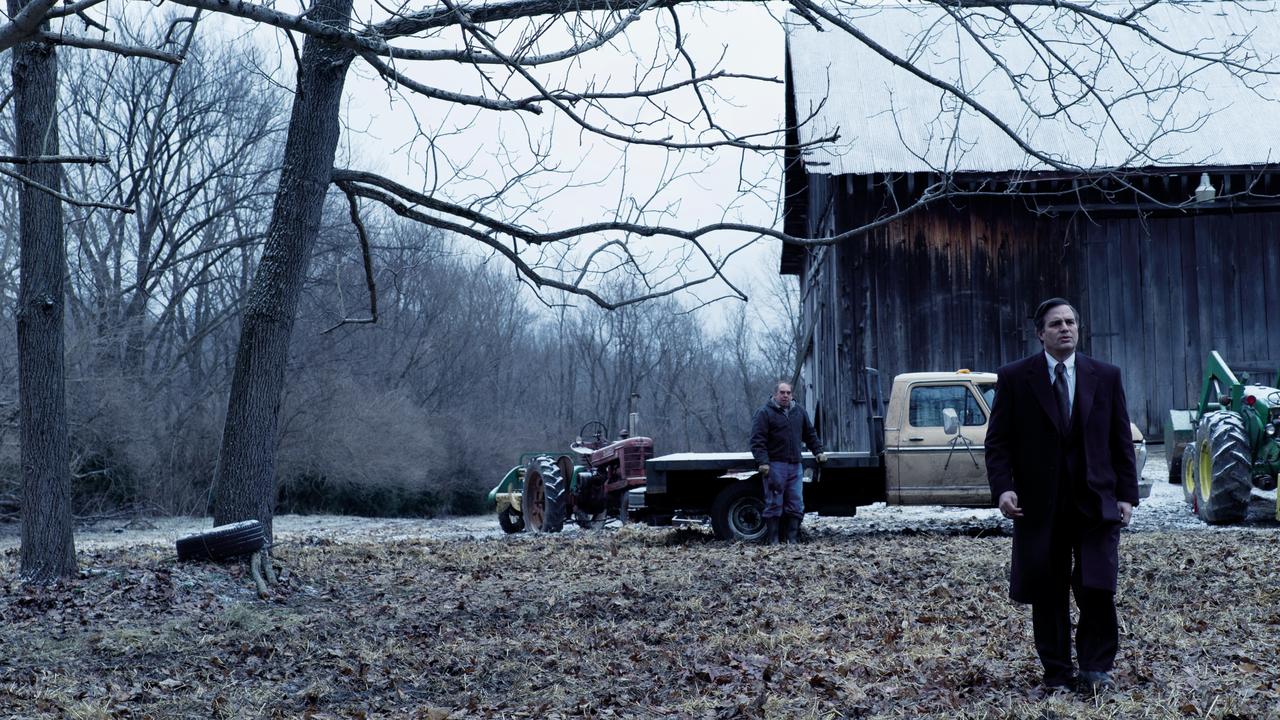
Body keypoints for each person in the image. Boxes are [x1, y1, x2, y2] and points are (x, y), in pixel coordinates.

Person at [985, 298, 1139, 694]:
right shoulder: (1016, 378)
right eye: (1056, 324)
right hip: (1040, 506)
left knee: (1097, 586)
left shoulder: (1105, 376)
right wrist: (1003, 488)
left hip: (1095, 503)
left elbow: (1120, 438)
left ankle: (1094, 669)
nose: (1065, 328)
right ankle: (1056, 673)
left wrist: (1127, 494)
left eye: (1070, 322)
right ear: (1041, 333)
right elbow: (998, 442)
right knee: (1048, 589)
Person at [750, 381, 826, 544]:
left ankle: (792, 539)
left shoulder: (799, 412)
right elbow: (757, 440)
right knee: (774, 503)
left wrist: (818, 451)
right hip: (775, 465)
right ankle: (774, 540)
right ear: (775, 394)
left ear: (792, 395)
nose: (785, 395)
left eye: (788, 393)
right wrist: (763, 462)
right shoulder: (764, 413)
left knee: (796, 503)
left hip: (795, 465)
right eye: (782, 392)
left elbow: (810, 434)